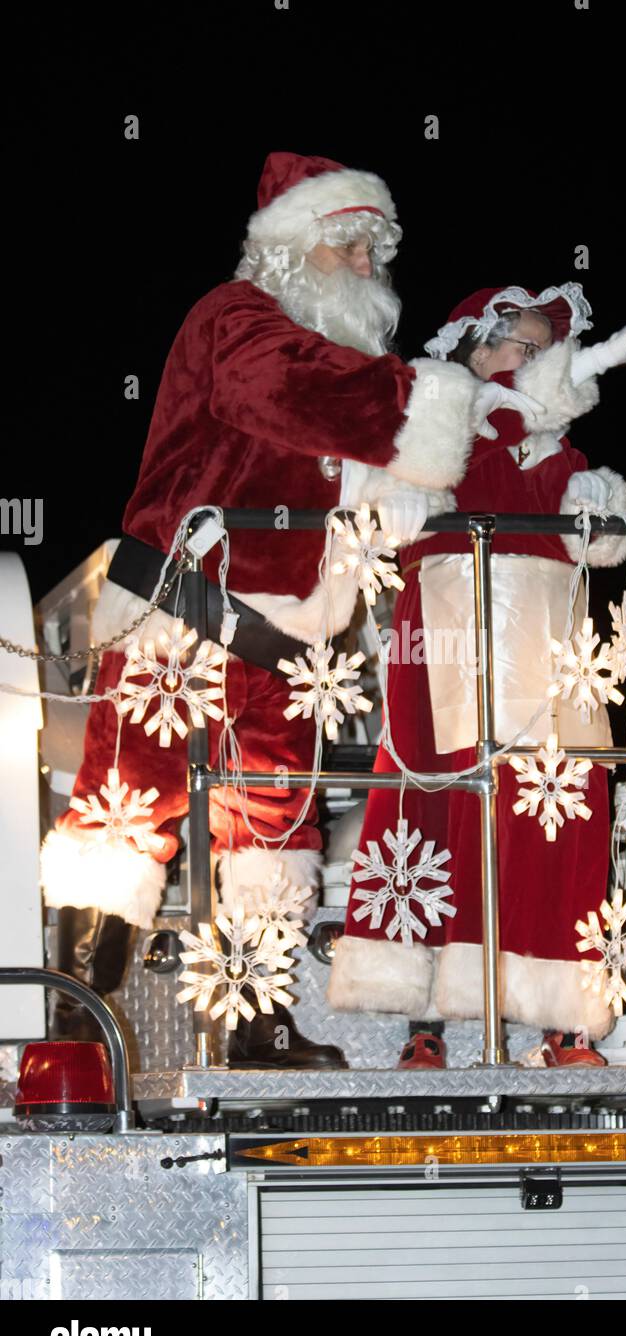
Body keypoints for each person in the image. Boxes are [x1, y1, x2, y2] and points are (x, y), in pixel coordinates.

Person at [38, 153, 522, 1063]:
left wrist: (403, 484)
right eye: (350, 247)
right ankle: (73, 1026)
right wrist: (432, 405)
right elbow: (288, 392)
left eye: (378, 250)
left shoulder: (349, 366)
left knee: (273, 826)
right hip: (179, 615)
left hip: (290, 640)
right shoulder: (235, 321)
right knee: (122, 810)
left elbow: (353, 461)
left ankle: (256, 1026)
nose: (370, 266)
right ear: (295, 245)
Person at [326, 284, 626, 1067]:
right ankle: (424, 1022)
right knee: (434, 817)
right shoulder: (435, 418)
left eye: (539, 349)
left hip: (549, 659)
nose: (533, 360)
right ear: (474, 343)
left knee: (556, 824)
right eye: (521, 344)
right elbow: (391, 504)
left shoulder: (557, 451)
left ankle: (565, 1020)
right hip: (447, 650)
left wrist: (596, 504)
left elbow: (600, 544)